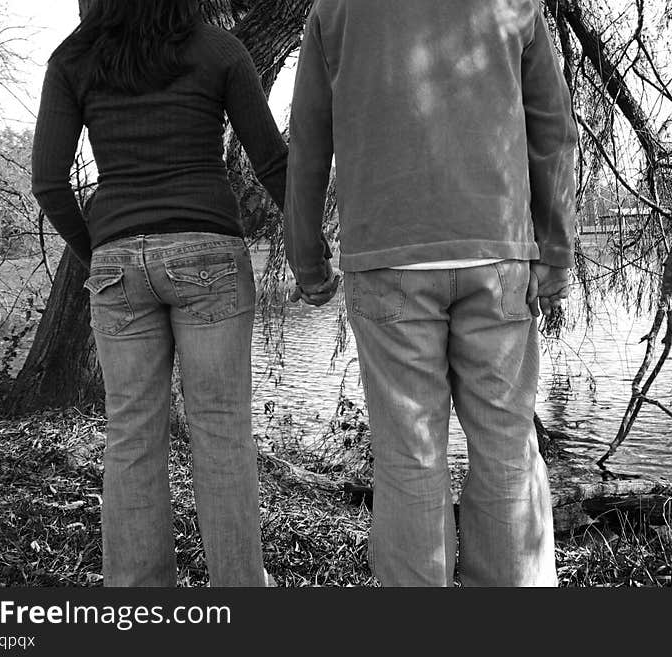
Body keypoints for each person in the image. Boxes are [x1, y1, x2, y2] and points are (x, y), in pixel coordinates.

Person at [284, 0, 578, 586]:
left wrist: (307, 258)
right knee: (506, 444)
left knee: (409, 455)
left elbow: (309, 143)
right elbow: (553, 128)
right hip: (496, 251)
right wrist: (556, 252)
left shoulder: (335, 11)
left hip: (388, 257)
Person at [31, 0, 286, 587]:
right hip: (209, 255)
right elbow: (272, 162)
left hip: (119, 260)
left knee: (131, 433)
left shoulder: (73, 57)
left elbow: (48, 181)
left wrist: (99, 251)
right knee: (222, 431)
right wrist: (310, 241)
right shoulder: (218, 48)